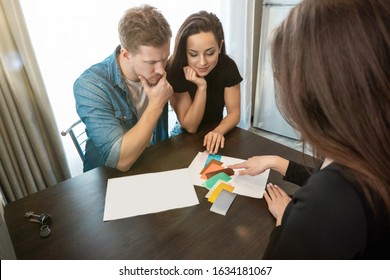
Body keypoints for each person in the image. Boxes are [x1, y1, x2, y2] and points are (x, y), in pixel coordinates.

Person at [230, 0, 390, 259]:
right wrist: (277, 162)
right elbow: (333, 176)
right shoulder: (370, 144)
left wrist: (285, 223)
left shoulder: (328, 204)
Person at [74, 5, 173, 172]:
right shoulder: (90, 86)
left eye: (164, 58)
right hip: (107, 177)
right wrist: (156, 105)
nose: (161, 70)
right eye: (151, 62)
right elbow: (120, 161)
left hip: (152, 160)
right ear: (126, 55)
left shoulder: (159, 68)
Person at [166, 11, 242, 154]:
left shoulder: (228, 66)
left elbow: (234, 113)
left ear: (220, 46)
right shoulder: (174, 70)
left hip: (218, 129)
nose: (202, 62)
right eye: (193, 54)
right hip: (184, 135)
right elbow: (191, 127)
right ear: (184, 51)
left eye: (210, 53)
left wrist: (218, 131)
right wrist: (202, 87)